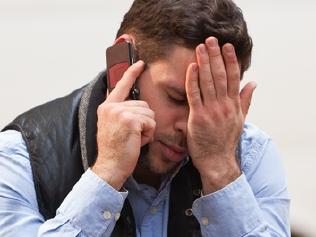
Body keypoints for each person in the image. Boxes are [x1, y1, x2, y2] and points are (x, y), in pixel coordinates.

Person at [0, 0, 290, 236]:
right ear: (123, 64)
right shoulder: (21, 155)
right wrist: (106, 175)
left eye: (211, 100)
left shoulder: (251, 154)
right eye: (177, 97)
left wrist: (220, 171)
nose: (191, 126)